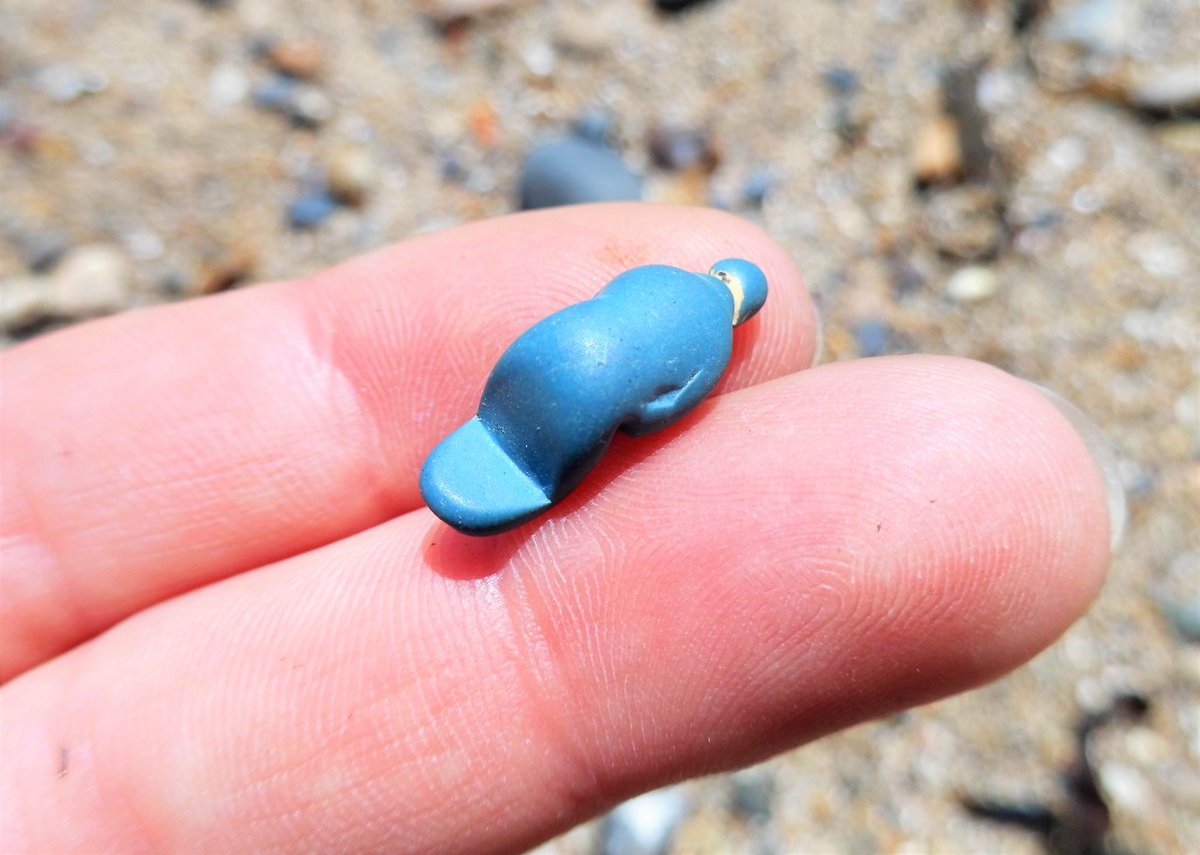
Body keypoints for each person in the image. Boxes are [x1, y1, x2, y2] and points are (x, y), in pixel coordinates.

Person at [0, 205, 1114, 853]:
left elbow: (642, 390)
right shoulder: (693, 328)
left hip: (545, 387)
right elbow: (663, 402)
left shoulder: (672, 320)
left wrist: (618, 410)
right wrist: (630, 415)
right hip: (553, 391)